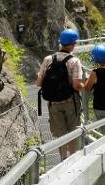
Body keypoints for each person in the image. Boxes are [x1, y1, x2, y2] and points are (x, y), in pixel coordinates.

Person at [36, 28, 87, 159]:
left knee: (60, 134)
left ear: (61, 43)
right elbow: (76, 85)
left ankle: (63, 160)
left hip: (53, 103)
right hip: (71, 102)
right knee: (73, 132)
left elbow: (38, 83)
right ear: (72, 44)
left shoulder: (48, 59)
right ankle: (74, 159)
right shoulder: (74, 61)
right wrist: (86, 86)